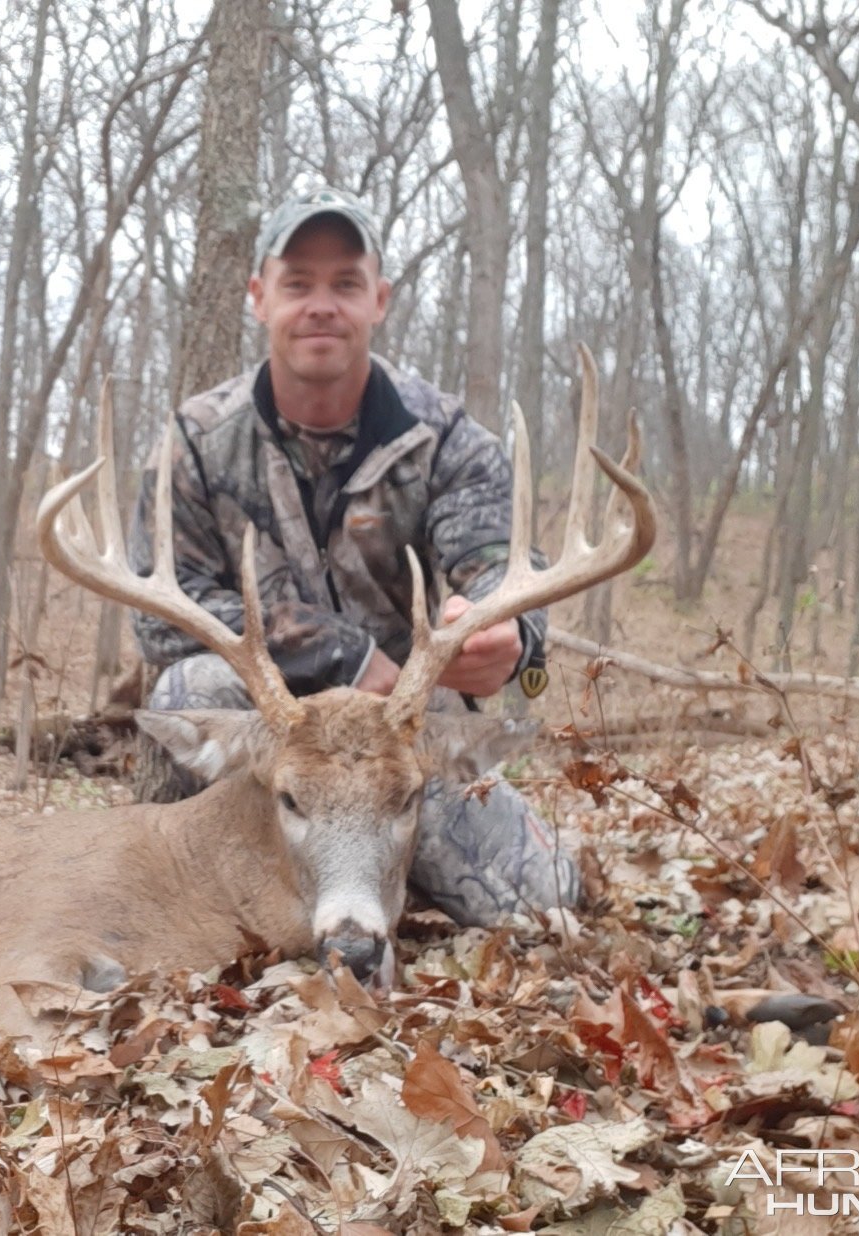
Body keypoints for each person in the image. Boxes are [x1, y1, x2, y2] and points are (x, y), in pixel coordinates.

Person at [127, 186, 578, 925]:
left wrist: (512, 637)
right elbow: (160, 617)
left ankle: (389, 868)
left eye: (346, 283)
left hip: (400, 723)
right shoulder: (196, 444)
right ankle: (239, 897)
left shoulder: (446, 440)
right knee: (189, 689)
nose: (321, 306)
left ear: (380, 300)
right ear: (258, 297)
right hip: (269, 725)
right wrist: (340, 654)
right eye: (297, 283)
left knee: (545, 901)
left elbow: (499, 563)